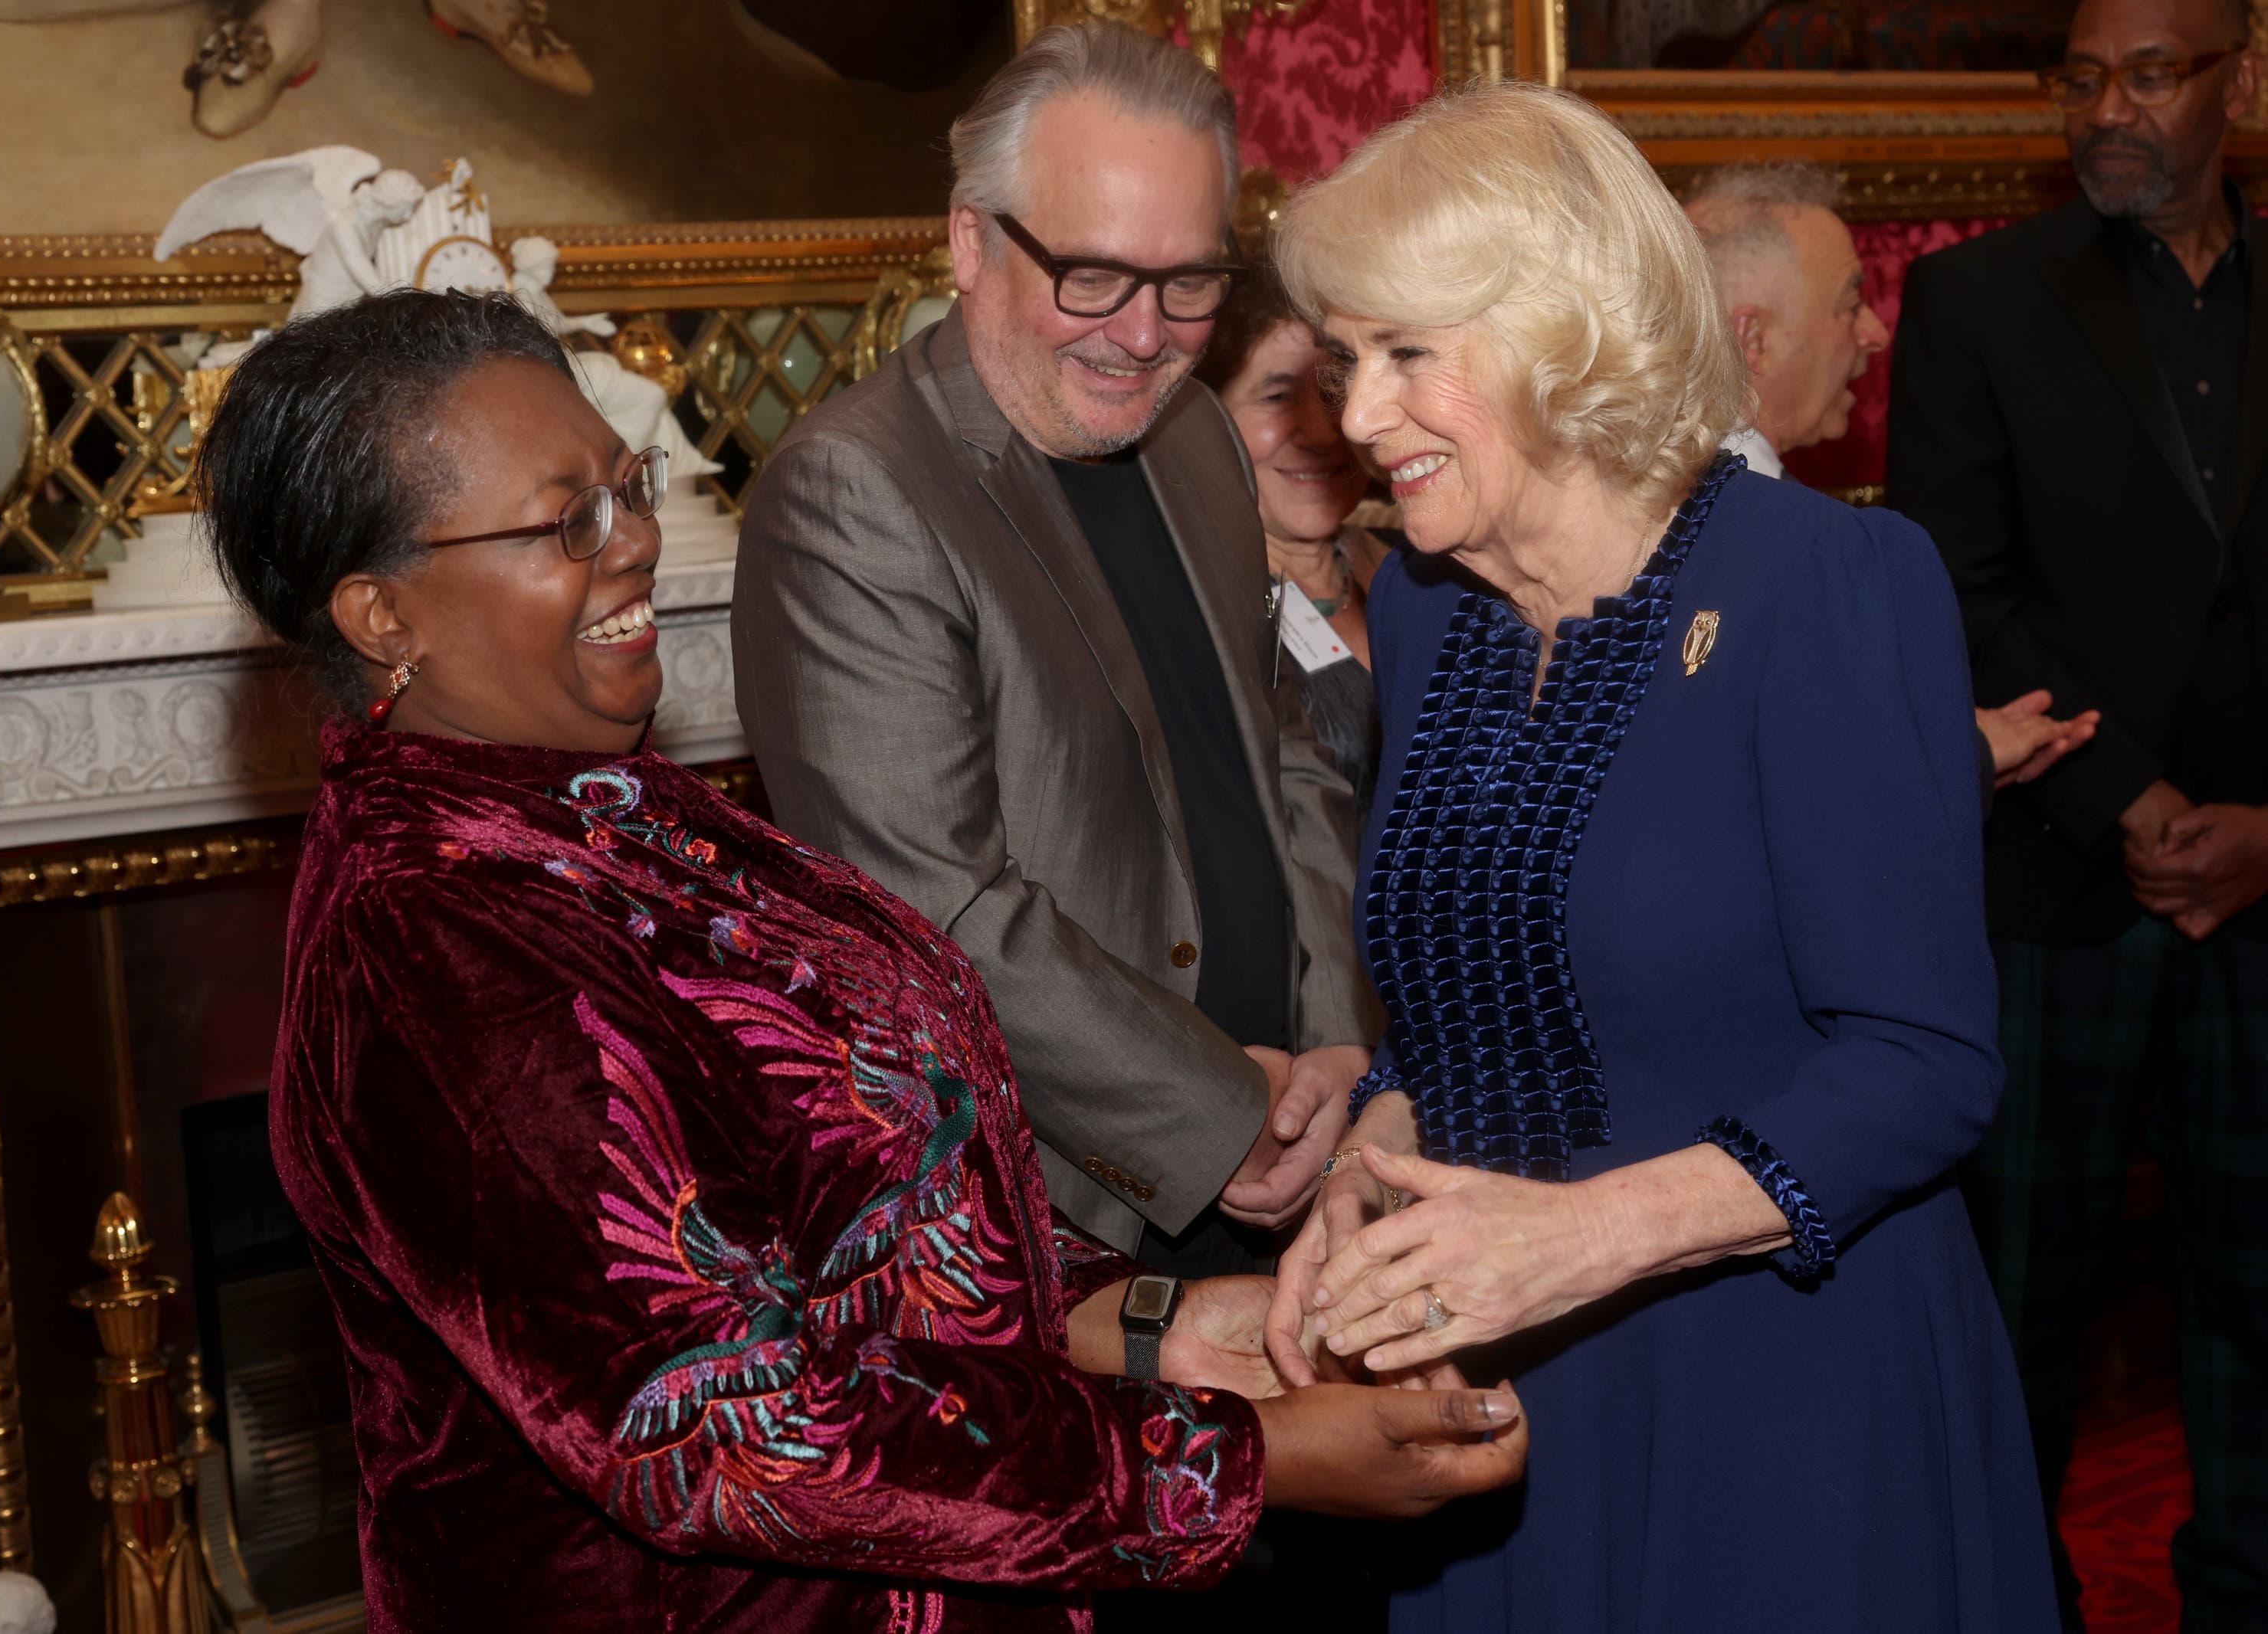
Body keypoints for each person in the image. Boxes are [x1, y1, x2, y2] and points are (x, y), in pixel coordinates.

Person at [194, 288, 1524, 1630]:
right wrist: (1243, 1460)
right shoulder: (429, 945)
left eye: (629, 486)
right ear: (380, 614)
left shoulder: (624, 809)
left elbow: (868, 1219)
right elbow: (721, 1419)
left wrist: (1159, 1325)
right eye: (569, 521)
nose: (639, 544)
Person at [1261, 82, 2057, 1630]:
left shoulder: (1829, 583)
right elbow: (1456, 997)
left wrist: (1576, 1239)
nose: (1357, 418)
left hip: (1783, 1395)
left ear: (1564, 329)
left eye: (1408, 354)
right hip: (1501, 1396)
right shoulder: (1429, 605)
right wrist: (1367, 1164)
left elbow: (1926, 1058)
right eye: (1349, 360)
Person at [731, 23, 1385, 1276]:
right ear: (971, 241)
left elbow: (1284, 746)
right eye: (1090, 276)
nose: (1142, 335)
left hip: (1290, 1131)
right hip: (1069, 1218)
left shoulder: (1195, 433)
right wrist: (1212, 1112)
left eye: (1190, 282)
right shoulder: (854, 491)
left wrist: (1337, 1032)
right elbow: (934, 908)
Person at [1888, 0, 2268, 1620]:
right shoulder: (1977, 298)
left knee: (2257, 1308)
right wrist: (2133, 799)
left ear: (2239, 83)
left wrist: (2266, 825)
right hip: (2047, 896)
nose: (2108, 108)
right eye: (2084, 76)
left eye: (2153, 74)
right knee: (2017, 1310)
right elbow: (1949, 587)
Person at [1683, 159, 2102, 799]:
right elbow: (1830, 802)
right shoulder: (1821, 550)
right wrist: (1971, 757)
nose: (1876, 334)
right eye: (1851, 302)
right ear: (1753, 340)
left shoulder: (1627, 505)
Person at [1196, 262, 1390, 818]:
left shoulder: (1426, 571)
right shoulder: (1198, 616)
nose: (1326, 431)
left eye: (1335, 391)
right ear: (1207, 418)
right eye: (1278, 396)